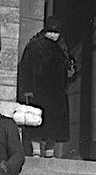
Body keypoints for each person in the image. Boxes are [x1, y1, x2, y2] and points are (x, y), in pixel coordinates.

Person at [17, 16, 77, 157]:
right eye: (51, 31)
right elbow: (25, 67)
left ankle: (50, 151)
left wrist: (71, 72)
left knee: (54, 124)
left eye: (57, 32)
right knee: (36, 121)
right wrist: (27, 89)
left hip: (57, 92)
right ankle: (36, 150)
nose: (54, 35)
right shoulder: (35, 45)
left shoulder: (62, 47)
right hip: (38, 91)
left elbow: (70, 66)